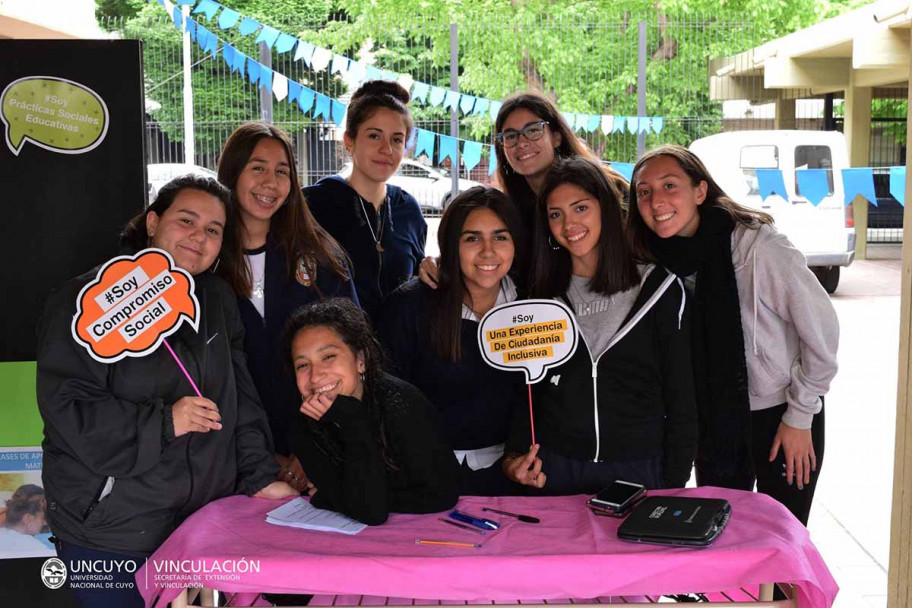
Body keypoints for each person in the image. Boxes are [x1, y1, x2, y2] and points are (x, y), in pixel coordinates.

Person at [37, 175, 297, 607]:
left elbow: (241, 399)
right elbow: (68, 408)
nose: (200, 237)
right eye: (187, 221)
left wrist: (259, 476)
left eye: (214, 230)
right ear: (153, 222)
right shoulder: (84, 299)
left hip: (199, 528)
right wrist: (164, 422)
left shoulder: (216, 299)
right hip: (111, 532)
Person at [626, 144, 838, 525]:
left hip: (782, 415)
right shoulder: (656, 262)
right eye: (644, 191)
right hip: (714, 418)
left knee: (782, 541)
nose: (657, 200)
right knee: (722, 539)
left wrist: (800, 415)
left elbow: (822, 335)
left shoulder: (760, 248)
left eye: (669, 185)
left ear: (700, 191)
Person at [504, 157, 697, 494]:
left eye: (580, 208)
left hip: (641, 470)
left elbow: (682, 397)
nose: (568, 224)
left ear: (606, 209)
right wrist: (516, 457)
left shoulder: (659, 288)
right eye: (555, 214)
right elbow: (528, 392)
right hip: (558, 471)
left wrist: (673, 480)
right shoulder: (540, 299)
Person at [217, 122, 357, 492]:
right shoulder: (206, 265)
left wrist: (313, 449)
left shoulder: (320, 257)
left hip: (320, 458)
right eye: (258, 168)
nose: (271, 183)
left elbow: (352, 358)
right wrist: (260, 458)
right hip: (230, 462)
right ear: (233, 173)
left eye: (282, 172)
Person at [380, 187, 526, 496]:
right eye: (472, 238)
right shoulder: (410, 307)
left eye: (501, 237)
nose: (488, 252)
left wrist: (517, 455)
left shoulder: (532, 309)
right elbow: (387, 399)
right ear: (450, 243)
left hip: (511, 479)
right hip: (424, 477)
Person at [418, 90, 627, 287]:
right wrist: (443, 265)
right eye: (510, 136)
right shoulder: (510, 212)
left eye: (533, 130)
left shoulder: (612, 190)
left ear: (556, 136)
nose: (522, 142)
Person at [284, 298, 459, 525]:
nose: (315, 376)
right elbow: (368, 510)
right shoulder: (303, 426)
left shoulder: (402, 403)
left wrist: (335, 499)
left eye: (328, 356)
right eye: (303, 365)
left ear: (360, 360)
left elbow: (440, 496)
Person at [303, 80, 427, 325]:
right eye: (374, 136)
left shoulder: (408, 210)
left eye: (397, 140)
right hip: (337, 355)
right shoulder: (313, 205)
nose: (387, 150)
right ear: (349, 140)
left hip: (401, 356)